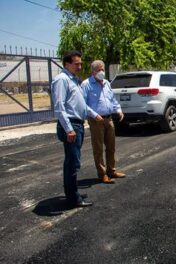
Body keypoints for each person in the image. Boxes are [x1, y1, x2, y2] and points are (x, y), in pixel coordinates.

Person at [52, 50, 97, 208]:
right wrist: (69, 129)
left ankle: (73, 194)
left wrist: (93, 114)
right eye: (76, 63)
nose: (80, 66)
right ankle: (72, 199)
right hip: (71, 125)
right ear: (67, 64)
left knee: (73, 161)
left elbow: (80, 104)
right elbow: (59, 107)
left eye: (80, 63)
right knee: (72, 163)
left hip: (77, 124)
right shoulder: (61, 80)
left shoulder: (74, 80)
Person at [82, 60, 126, 184]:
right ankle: (102, 174)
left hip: (109, 118)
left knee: (111, 147)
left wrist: (118, 110)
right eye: (99, 69)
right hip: (96, 120)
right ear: (93, 71)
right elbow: (83, 104)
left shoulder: (106, 83)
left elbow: (112, 99)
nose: (102, 72)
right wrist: (94, 115)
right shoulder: (86, 84)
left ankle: (111, 171)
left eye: (103, 69)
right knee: (98, 148)